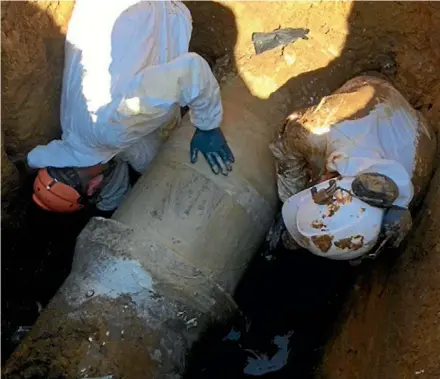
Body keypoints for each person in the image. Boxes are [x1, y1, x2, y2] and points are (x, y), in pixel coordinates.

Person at [29, 0, 234, 213]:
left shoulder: (112, 129)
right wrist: (113, 203)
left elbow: (192, 71)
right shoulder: (74, 130)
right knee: (147, 156)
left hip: (142, 8)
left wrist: (207, 126)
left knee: (164, 117)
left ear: (93, 187)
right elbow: (123, 152)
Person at [270, 74, 437, 263]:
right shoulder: (311, 132)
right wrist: (290, 201)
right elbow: (286, 152)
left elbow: (285, 152)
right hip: (380, 97)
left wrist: (291, 199)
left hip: (415, 132)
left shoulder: (313, 133)